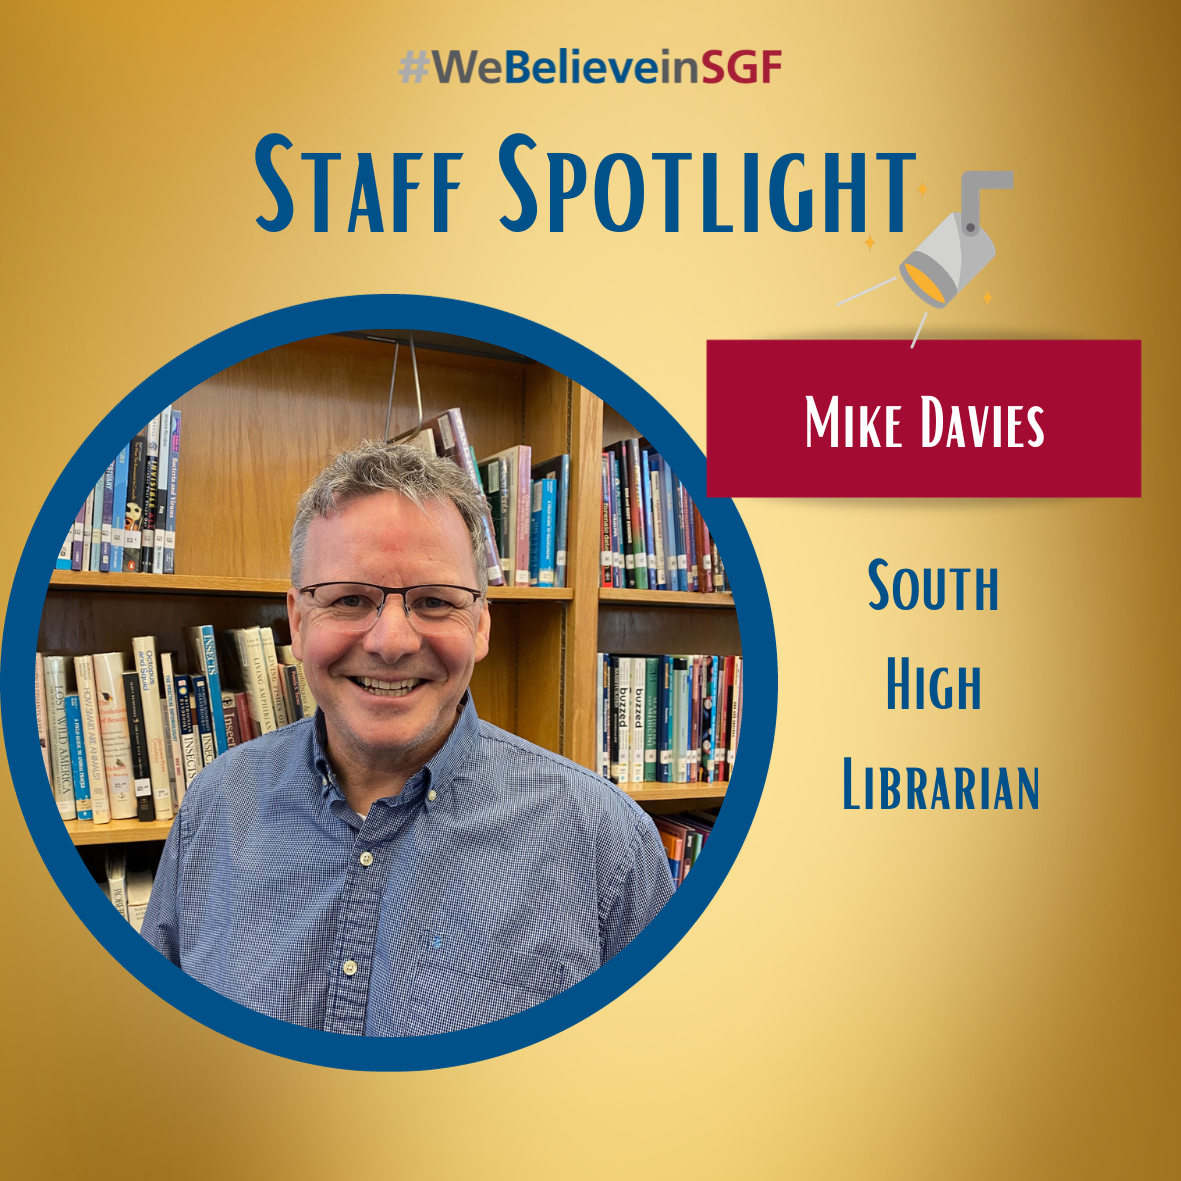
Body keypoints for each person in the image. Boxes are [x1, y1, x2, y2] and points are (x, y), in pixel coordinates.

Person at [142, 441, 675, 1035]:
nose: (391, 641)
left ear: (480, 625)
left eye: (432, 602)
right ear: (296, 620)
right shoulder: (217, 805)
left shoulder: (606, 841)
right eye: (349, 599)